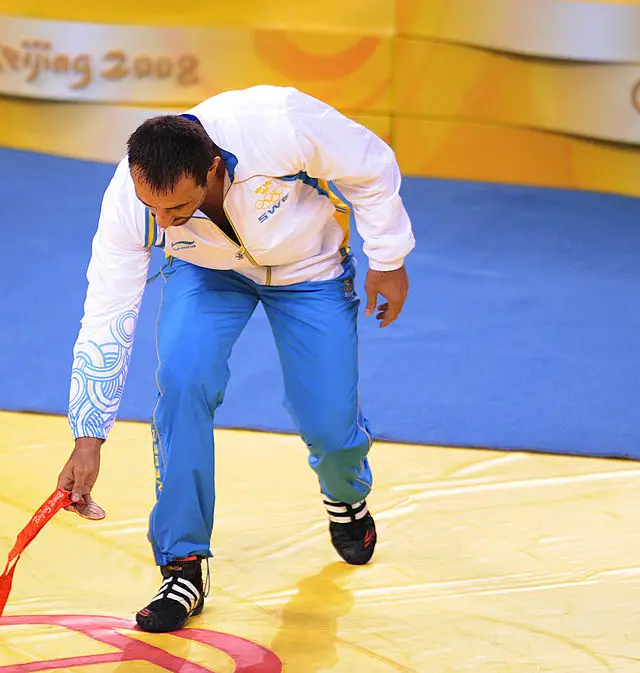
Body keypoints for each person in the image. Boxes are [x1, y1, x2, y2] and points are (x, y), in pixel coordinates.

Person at [55, 84, 415, 633]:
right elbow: (107, 312)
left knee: (328, 425)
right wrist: (88, 434)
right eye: (154, 208)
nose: (165, 220)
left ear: (214, 168)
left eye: (178, 205)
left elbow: (370, 164)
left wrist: (388, 256)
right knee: (181, 382)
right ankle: (182, 563)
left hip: (308, 271)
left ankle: (346, 496)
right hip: (206, 274)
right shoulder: (133, 201)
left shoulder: (280, 124)